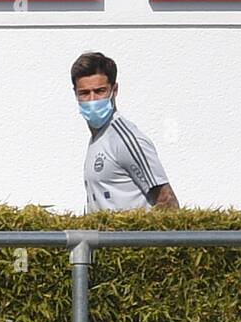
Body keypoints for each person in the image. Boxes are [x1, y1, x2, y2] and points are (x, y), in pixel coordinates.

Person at [71, 52, 179, 212]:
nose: (93, 100)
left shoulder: (125, 139)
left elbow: (168, 202)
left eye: (100, 91)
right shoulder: (99, 137)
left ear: (114, 90)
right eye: (85, 93)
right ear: (76, 94)